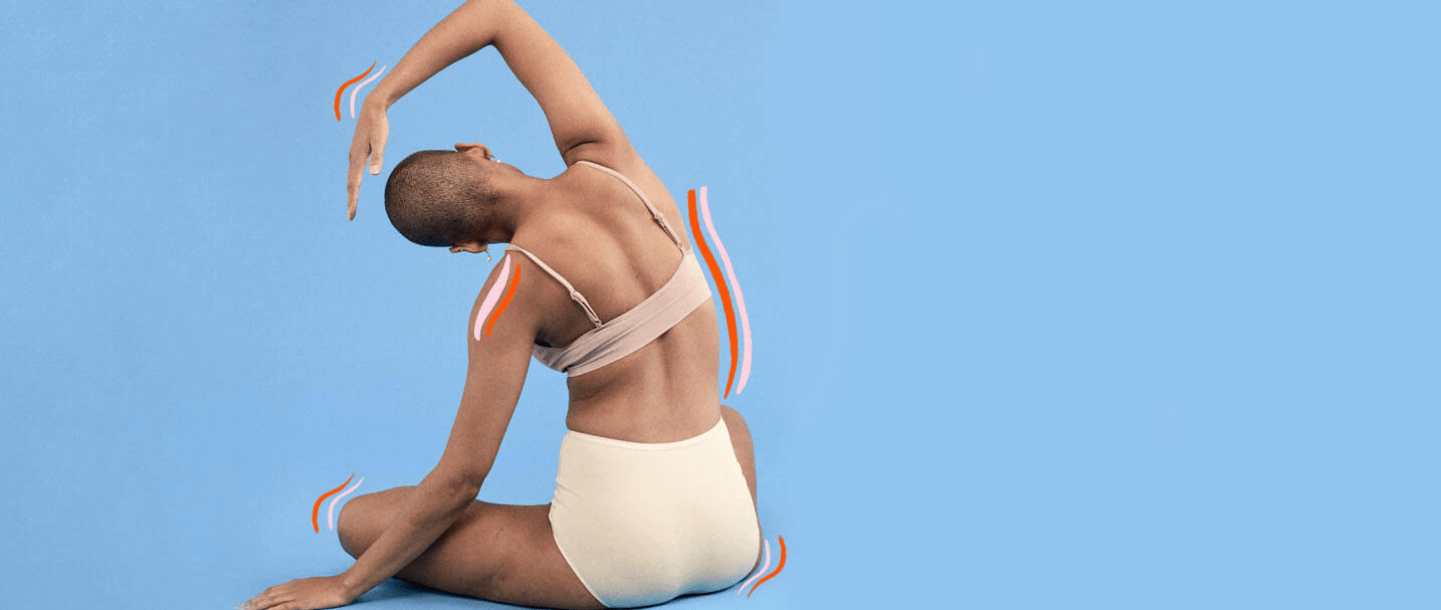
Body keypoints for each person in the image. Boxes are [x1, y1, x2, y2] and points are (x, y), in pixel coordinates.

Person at [241, 1, 761, 609]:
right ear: (476, 150)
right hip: (733, 540)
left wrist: (346, 585)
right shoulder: (612, 161)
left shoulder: (508, 294)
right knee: (728, 419)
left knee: (360, 521)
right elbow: (496, 14)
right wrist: (380, 99)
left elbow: (461, 479)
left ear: (466, 246)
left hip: (619, 565)